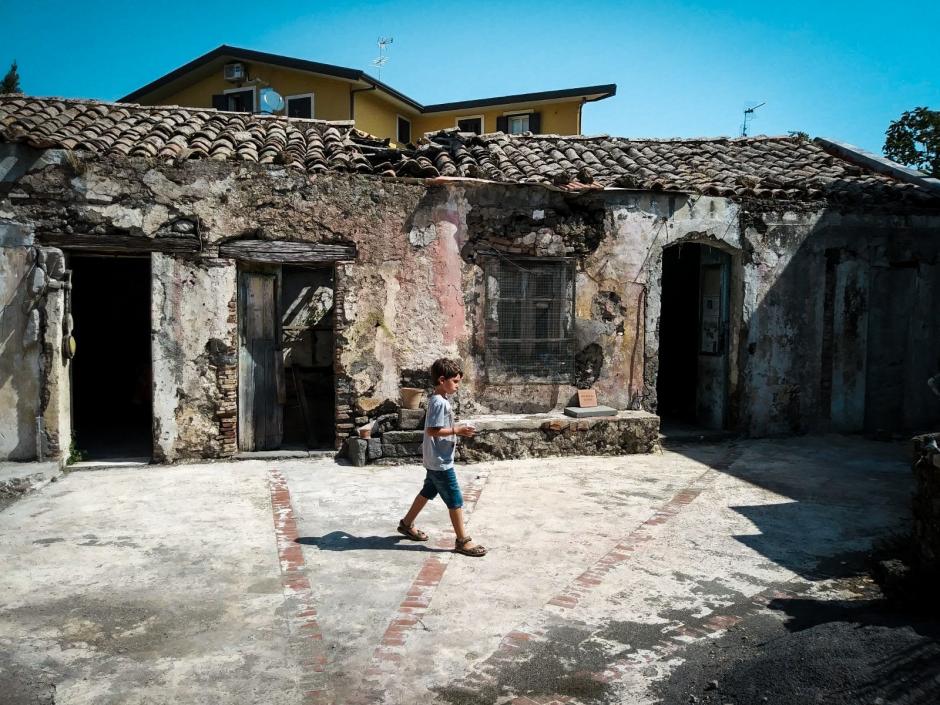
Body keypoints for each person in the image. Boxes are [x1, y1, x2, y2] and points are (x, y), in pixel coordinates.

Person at [397, 357, 487, 557]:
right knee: (455, 500)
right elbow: (432, 430)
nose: (457, 386)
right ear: (441, 380)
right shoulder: (439, 402)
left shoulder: (438, 400)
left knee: (427, 491)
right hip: (440, 462)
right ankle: (462, 541)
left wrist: (457, 429)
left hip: (434, 459)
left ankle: (406, 524)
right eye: (454, 381)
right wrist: (458, 430)